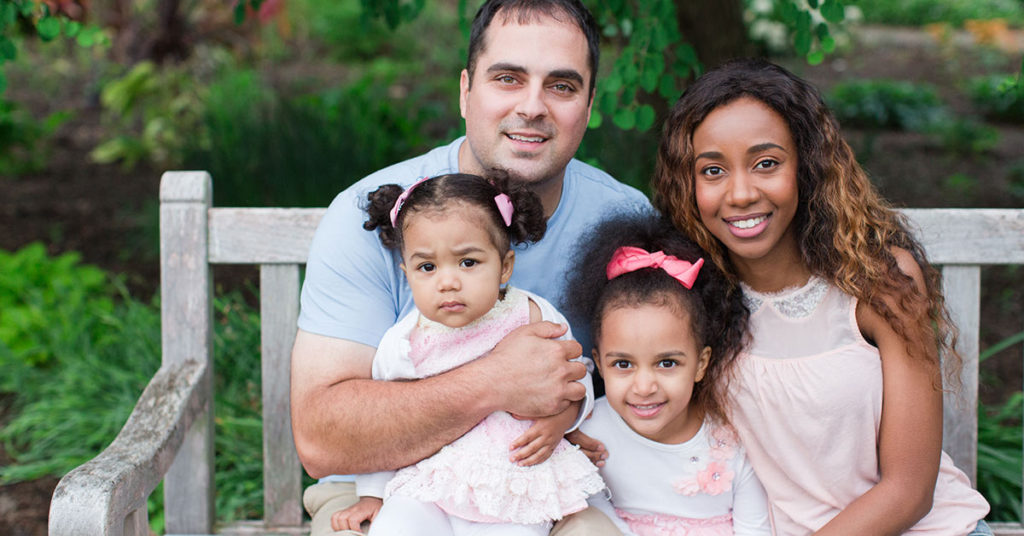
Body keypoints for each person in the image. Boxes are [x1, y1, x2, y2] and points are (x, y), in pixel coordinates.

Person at [290, 1, 650, 534]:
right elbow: (322, 440)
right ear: (465, 90)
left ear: (590, 104)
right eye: (508, 78)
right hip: (386, 487)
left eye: (562, 86)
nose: (533, 106)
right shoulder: (367, 217)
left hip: (544, 475)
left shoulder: (624, 219)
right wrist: (495, 381)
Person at [652, 57, 991, 535]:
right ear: (688, 185)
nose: (741, 193)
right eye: (713, 170)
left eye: (766, 164)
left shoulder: (878, 281)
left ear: (806, 166)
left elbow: (909, 492)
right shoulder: (689, 297)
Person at [347, 173, 606, 535]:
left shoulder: (531, 316)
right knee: (397, 526)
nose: (448, 282)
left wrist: (561, 421)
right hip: (430, 483)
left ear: (504, 266)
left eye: (468, 262)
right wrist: (372, 495)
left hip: (514, 480)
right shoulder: (405, 342)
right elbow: (381, 424)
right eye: (427, 267)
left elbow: (576, 378)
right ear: (407, 275)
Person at [562, 214, 770, 535]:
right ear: (599, 364)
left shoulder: (736, 439)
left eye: (667, 363)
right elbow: (592, 519)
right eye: (623, 364)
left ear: (701, 364)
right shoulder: (589, 433)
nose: (644, 387)